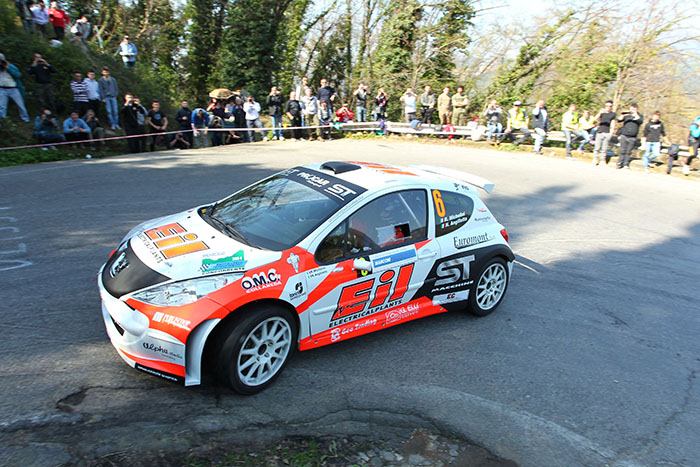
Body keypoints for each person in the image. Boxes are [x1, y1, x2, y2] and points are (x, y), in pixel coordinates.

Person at [0, 53, 30, 124]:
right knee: (2, 106)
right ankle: (2, 120)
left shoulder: (11, 66)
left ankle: (25, 119)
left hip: (13, 89)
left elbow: (17, 75)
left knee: (20, 104)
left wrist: (7, 67)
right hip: (2, 89)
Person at [616, 103, 643, 170]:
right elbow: (618, 120)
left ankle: (626, 164)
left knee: (628, 151)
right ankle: (619, 163)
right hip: (624, 135)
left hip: (632, 136)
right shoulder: (627, 115)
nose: (631, 110)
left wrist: (635, 114)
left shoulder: (639, 116)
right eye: (631, 109)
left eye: (633, 109)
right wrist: (623, 115)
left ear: (636, 109)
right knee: (622, 150)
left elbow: (640, 121)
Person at [592, 100, 616, 166]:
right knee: (597, 147)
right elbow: (594, 120)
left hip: (607, 132)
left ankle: (602, 160)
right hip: (600, 131)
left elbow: (613, 123)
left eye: (610, 106)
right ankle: (595, 159)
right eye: (607, 106)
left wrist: (611, 133)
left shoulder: (613, 114)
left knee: (604, 148)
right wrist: (599, 113)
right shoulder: (602, 113)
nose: (608, 107)